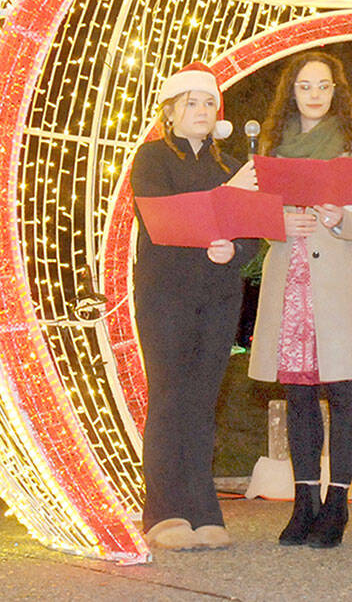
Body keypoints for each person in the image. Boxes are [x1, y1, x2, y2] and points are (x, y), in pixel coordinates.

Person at [248, 50, 352, 549]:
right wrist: (277, 224)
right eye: (305, 86)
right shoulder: (270, 147)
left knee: (344, 394)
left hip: (340, 284)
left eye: (323, 86)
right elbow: (249, 213)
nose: (313, 95)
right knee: (299, 395)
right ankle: (304, 502)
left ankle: (338, 503)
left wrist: (338, 218)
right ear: (292, 91)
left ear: (336, 91)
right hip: (290, 280)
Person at [129, 62, 258, 551]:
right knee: (170, 399)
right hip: (166, 295)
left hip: (218, 296)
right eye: (192, 103)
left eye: (209, 103)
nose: (201, 111)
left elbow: (251, 232)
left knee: (203, 404)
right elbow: (164, 219)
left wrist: (237, 250)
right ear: (171, 111)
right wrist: (225, 202)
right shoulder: (152, 158)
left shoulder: (228, 167)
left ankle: (204, 510)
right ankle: (163, 513)